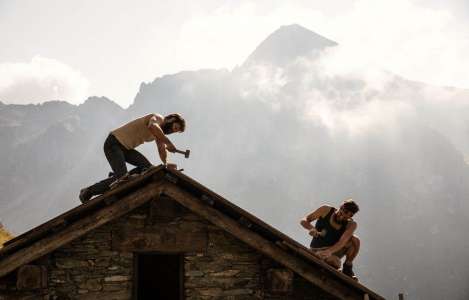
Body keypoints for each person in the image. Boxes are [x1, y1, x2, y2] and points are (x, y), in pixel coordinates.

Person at [79, 113, 185, 203]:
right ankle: (89, 191)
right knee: (122, 179)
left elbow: (161, 148)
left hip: (126, 149)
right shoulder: (158, 118)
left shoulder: (159, 133)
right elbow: (153, 126)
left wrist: (166, 165)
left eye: (174, 131)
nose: (171, 131)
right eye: (174, 127)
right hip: (113, 143)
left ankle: (119, 175)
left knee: (148, 169)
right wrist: (169, 143)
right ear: (171, 119)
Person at [300, 199, 360, 279]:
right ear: (340, 207)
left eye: (346, 217)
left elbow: (342, 242)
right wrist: (311, 228)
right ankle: (326, 262)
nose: (341, 218)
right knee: (336, 262)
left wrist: (329, 251)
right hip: (317, 249)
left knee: (355, 240)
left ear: (350, 216)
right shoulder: (326, 210)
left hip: (332, 250)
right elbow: (304, 220)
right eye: (341, 213)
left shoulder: (351, 224)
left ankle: (347, 267)